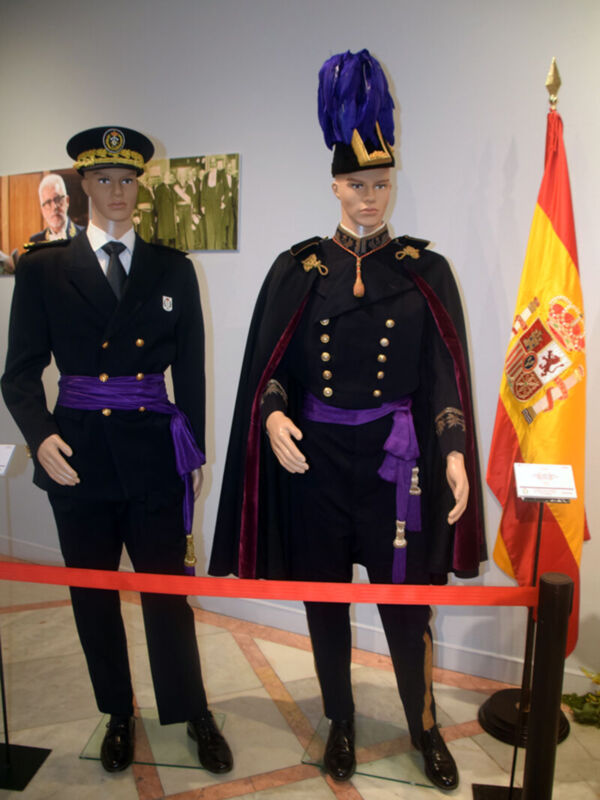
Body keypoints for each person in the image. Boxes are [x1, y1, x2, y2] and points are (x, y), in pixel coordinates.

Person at [209, 50, 485, 791]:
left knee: (405, 612)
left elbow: (441, 382)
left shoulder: (425, 271)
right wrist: (269, 419)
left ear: (394, 183)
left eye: (382, 184)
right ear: (334, 185)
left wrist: (454, 451)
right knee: (325, 604)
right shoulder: (298, 270)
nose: (371, 198)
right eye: (358, 185)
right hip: (320, 468)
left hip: (400, 469)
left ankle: (424, 726)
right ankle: (339, 722)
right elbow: (273, 375)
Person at [2, 126, 233, 776]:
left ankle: (192, 711)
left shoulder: (171, 268)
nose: (118, 193)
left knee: (168, 594)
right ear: (83, 186)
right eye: (104, 180)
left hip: (154, 458)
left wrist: (192, 452)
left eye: (128, 180)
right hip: (77, 460)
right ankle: (118, 712)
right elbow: (19, 373)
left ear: (140, 184)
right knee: (93, 599)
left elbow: (189, 371)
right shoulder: (45, 270)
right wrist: (41, 434)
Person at [28, 173, 82, 244]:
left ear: (67, 201)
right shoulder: (35, 241)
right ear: (42, 210)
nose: (54, 207)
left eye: (58, 199)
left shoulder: (84, 235)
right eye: (48, 202)